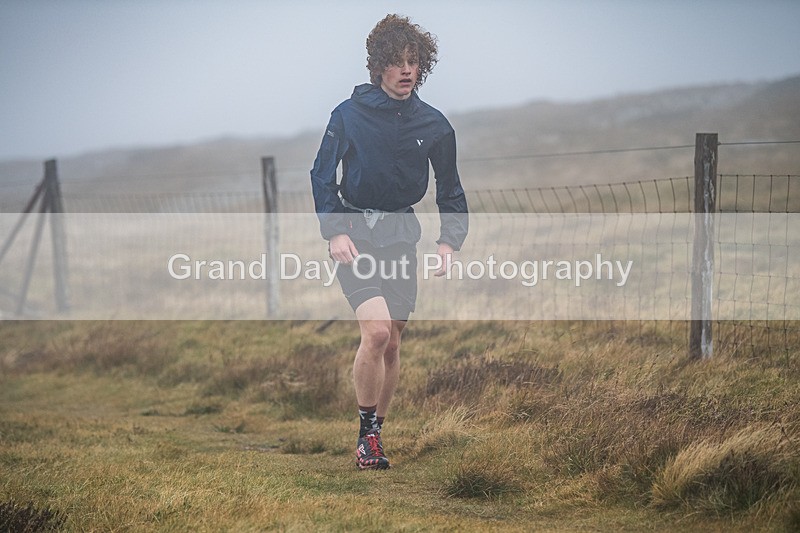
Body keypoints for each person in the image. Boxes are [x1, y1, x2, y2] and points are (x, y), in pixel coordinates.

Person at [310, 13, 468, 470]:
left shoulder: (435, 125)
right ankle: (365, 439)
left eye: (413, 62)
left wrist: (449, 241)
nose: (406, 70)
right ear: (378, 66)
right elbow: (322, 175)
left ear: (422, 67)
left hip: (402, 235)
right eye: (397, 62)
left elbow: (450, 188)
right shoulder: (347, 115)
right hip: (355, 236)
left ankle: (376, 434)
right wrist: (335, 229)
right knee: (376, 331)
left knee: (393, 343)